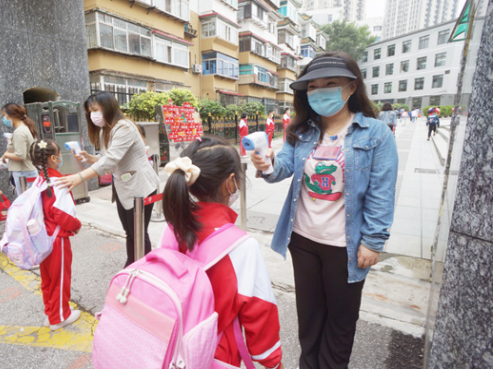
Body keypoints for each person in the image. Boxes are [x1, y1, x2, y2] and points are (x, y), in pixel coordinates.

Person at [251, 52, 398, 369]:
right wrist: (267, 164)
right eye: (313, 86)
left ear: (350, 87)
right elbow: (283, 169)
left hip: (345, 247)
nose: (321, 91)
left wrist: (373, 241)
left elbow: (381, 193)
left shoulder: (376, 134)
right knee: (310, 320)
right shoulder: (301, 131)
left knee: (340, 324)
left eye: (330, 83)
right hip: (303, 241)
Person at [162, 136, 283, 369]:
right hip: (215, 354)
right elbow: (260, 313)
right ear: (231, 182)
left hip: (171, 346)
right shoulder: (241, 246)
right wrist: (272, 363)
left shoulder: (171, 229)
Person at [55, 91, 159, 267]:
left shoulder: (124, 127)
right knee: (129, 231)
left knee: (139, 233)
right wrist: (89, 158)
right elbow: (107, 159)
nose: (93, 114)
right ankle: (132, 264)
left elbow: (111, 160)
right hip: (124, 187)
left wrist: (80, 177)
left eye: (95, 109)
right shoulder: (106, 130)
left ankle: (145, 270)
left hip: (141, 187)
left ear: (108, 106)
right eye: (90, 111)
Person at [30, 139, 82, 330]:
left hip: (42, 237)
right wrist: (76, 225)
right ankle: (60, 317)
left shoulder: (39, 181)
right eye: (59, 154)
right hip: (57, 239)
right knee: (60, 277)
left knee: (48, 278)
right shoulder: (58, 182)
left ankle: (50, 312)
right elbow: (61, 214)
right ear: (53, 158)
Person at [1, 103, 38, 195]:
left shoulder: (19, 132)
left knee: (25, 203)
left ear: (12, 116)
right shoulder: (26, 129)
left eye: (4, 116)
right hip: (27, 172)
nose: (4, 119)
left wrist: (6, 155)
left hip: (23, 173)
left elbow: (20, 155)